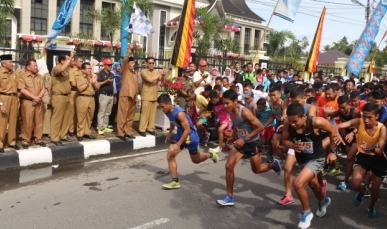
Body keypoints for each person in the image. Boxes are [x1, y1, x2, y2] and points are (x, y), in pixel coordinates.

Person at [282, 103, 344, 229]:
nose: (293, 124)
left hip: (317, 157)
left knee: (298, 183)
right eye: (290, 121)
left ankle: (306, 212)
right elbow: (283, 141)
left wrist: (332, 151)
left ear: (303, 116)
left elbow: (333, 130)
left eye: (295, 121)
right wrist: (292, 146)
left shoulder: (317, 122)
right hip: (302, 158)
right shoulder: (288, 124)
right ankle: (323, 201)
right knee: (314, 185)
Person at [216, 90, 281, 206]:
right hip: (240, 142)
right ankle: (229, 197)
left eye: (227, 103)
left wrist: (244, 139)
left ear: (235, 101)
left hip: (253, 142)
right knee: (228, 166)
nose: (225, 106)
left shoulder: (245, 112)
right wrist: (233, 136)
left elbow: (260, 127)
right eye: (223, 103)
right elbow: (237, 124)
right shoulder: (230, 111)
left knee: (257, 170)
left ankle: (273, 165)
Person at [158, 94, 219, 189]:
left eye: (162, 106)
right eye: (160, 106)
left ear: (169, 103)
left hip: (191, 137)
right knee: (170, 155)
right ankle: (175, 181)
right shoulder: (167, 110)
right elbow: (172, 119)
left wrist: (178, 145)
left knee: (196, 160)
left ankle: (210, 154)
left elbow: (187, 130)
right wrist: (170, 131)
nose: (161, 109)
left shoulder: (179, 113)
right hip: (180, 135)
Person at [337, 103, 386, 218]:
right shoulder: (359, 122)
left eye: (370, 117)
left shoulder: (382, 129)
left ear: (377, 116)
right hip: (363, 157)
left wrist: (372, 148)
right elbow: (337, 126)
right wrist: (337, 134)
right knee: (355, 184)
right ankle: (362, 192)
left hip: (379, 160)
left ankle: (371, 206)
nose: (366, 120)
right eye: (364, 116)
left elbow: (380, 151)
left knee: (375, 189)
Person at [326, 96, 361, 190]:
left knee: (349, 157)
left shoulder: (355, 112)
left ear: (349, 104)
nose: (342, 109)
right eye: (340, 107)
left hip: (357, 136)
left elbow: (361, 125)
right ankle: (349, 177)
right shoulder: (339, 112)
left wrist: (352, 133)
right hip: (347, 137)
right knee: (350, 159)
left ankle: (345, 180)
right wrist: (339, 132)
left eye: (344, 107)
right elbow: (329, 115)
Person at [18, 59, 46, 149]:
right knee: (27, 121)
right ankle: (26, 140)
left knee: (39, 121)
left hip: (38, 101)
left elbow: (43, 88)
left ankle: (38, 139)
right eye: (34, 65)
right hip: (28, 102)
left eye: (36, 65)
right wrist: (34, 98)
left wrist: (39, 97)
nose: (36, 67)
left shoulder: (40, 77)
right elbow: (22, 90)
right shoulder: (23, 77)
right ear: (28, 67)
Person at [50, 50, 76, 146]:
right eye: (67, 59)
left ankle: (63, 135)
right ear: (61, 61)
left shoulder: (67, 71)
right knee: (57, 118)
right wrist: (70, 56)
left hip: (66, 96)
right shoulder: (56, 68)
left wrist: (70, 97)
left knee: (66, 118)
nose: (70, 61)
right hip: (58, 96)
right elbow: (61, 69)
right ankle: (55, 137)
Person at [139, 57, 167, 137]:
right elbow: (150, 80)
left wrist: (163, 74)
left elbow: (161, 80)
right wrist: (159, 74)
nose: (151, 64)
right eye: (150, 63)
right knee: (145, 114)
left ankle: (150, 128)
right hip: (146, 95)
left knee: (152, 114)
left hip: (154, 95)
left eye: (153, 63)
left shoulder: (156, 72)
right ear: (146, 63)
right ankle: (142, 129)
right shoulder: (143, 72)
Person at [117, 46, 138, 140]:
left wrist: (137, 98)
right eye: (132, 63)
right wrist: (129, 51)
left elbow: (136, 87)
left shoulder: (134, 73)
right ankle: (120, 132)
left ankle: (127, 131)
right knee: (123, 115)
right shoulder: (125, 71)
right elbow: (125, 60)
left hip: (133, 97)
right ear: (128, 64)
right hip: (125, 95)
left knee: (130, 116)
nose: (133, 64)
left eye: (134, 63)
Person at [0, 54, 20, 152]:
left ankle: (12, 142)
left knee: (13, 121)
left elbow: (17, 88)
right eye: (10, 62)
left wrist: (18, 100)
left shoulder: (14, 73)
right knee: (2, 122)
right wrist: (0, 104)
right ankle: (0, 143)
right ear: (4, 64)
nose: (12, 64)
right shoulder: (0, 73)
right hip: (3, 98)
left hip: (14, 98)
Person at [75, 62, 99, 141]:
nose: (90, 70)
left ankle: (87, 132)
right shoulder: (79, 77)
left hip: (91, 98)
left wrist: (94, 81)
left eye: (90, 68)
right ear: (83, 70)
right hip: (83, 98)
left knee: (90, 117)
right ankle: (80, 133)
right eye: (88, 69)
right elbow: (80, 89)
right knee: (81, 117)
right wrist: (88, 81)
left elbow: (97, 88)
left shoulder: (93, 77)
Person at [96, 58, 116, 135]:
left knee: (107, 112)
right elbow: (98, 84)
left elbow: (113, 86)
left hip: (110, 95)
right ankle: (99, 127)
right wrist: (106, 81)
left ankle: (104, 126)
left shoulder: (112, 74)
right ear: (104, 65)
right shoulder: (100, 74)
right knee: (102, 111)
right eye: (108, 65)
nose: (110, 66)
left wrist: (114, 95)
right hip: (103, 95)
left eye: (111, 65)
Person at [68, 56, 83, 137]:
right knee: (72, 112)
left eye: (82, 61)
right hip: (74, 92)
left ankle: (78, 129)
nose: (81, 63)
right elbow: (73, 83)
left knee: (80, 112)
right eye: (80, 61)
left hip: (81, 93)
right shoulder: (72, 71)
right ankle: (71, 129)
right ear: (75, 62)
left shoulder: (82, 71)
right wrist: (81, 87)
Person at [109, 62, 121, 128]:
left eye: (119, 66)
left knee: (118, 108)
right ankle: (110, 122)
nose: (119, 67)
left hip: (120, 92)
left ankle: (116, 121)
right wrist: (120, 82)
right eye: (118, 66)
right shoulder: (112, 74)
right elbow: (113, 85)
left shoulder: (119, 74)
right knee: (113, 108)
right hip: (114, 93)